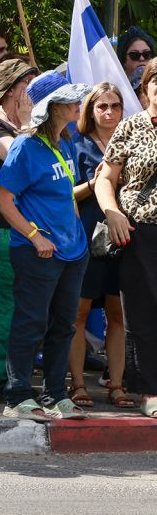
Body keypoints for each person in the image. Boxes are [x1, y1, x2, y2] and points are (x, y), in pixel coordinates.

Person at [0, 71, 91, 421]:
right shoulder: (24, 146)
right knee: (30, 322)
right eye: (71, 99)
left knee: (64, 324)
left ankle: (55, 394)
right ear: (54, 106)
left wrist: (76, 230)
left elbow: (68, 194)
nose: (80, 103)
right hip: (37, 252)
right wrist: (36, 236)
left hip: (72, 251)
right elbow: (3, 201)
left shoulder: (65, 141)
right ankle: (17, 395)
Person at [96, 60, 157, 417]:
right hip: (139, 230)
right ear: (145, 87)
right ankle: (150, 390)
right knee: (143, 312)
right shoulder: (130, 128)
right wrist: (112, 212)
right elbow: (106, 178)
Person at [0, 58, 38, 403]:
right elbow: (22, 161)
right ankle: (0, 377)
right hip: (5, 230)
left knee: (31, 307)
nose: (35, 89)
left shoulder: (35, 125)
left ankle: (22, 375)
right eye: (29, 82)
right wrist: (29, 124)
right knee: (5, 307)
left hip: (38, 228)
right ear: (12, 90)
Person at [70, 82, 132, 409]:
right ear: (90, 110)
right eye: (102, 106)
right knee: (78, 312)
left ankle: (117, 385)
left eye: (115, 106)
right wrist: (95, 184)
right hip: (85, 236)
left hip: (124, 236)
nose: (109, 112)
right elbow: (65, 194)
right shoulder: (76, 144)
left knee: (117, 313)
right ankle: (78, 384)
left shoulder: (131, 143)